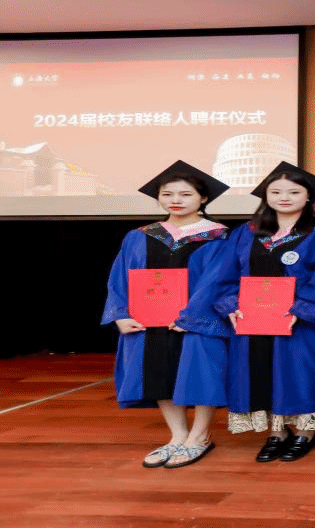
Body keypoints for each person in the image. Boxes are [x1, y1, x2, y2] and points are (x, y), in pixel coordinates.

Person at [175, 162, 315, 464]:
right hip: (252, 320)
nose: (284, 197)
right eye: (276, 192)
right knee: (260, 373)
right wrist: (231, 305)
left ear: (308, 196)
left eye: (293, 192)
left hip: (299, 322)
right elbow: (225, 274)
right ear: (265, 196)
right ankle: (277, 433)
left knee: (301, 375)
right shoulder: (247, 232)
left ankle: (306, 433)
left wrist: (301, 307)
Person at [101, 160, 230, 468]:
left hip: (198, 322)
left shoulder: (220, 236)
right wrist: (120, 314)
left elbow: (218, 280)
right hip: (149, 321)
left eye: (185, 194)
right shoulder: (140, 235)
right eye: (167, 194)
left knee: (201, 375)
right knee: (158, 372)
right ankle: (178, 435)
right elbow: (120, 278)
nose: (175, 200)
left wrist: (192, 317)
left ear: (203, 198)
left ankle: (200, 436)